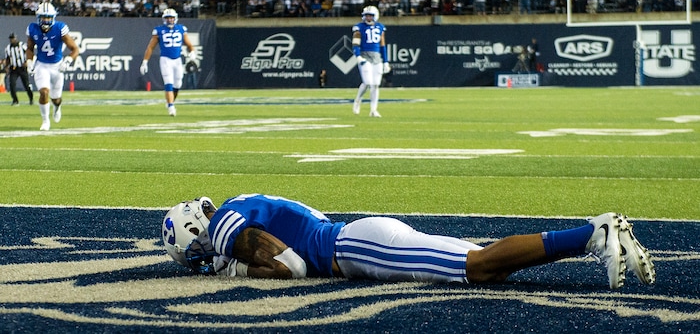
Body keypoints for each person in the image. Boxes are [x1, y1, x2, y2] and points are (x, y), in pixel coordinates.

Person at [162, 194, 656, 290]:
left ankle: (594, 232)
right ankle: (592, 234)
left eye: (196, 253)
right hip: (360, 242)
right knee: (489, 271)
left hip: (356, 248)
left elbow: (289, 267)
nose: (201, 260)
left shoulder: (228, 218)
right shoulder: (246, 204)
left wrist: (233, 269)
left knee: (479, 265)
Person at [25, 2, 80, 131]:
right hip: (42, 65)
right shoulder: (32, 28)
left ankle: (57, 107)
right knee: (44, 92)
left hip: (56, 66)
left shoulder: (60, 28)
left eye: (49, 17)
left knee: (56, 99)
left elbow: (75, 49)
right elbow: (29, 48)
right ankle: (45, 121)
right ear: (39, 17)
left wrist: (67, 61)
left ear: (53, 17)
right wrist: (29, 61)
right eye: (44, 17)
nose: (46, 20)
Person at [140, 8, 197, 116]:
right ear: (164, 19)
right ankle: (171, 107)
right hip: (165, 60)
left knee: (178, 84)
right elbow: (150, 47)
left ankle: (170, 102)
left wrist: (192, 52)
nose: (170, 20)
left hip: (177, 60)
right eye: (167, 18)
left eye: (171, 18)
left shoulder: (181, 29)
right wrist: (145, 61)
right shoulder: (159, 30)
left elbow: (189, 44)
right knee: (168, 83)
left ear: (175, 18)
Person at [351, 5, 390, 117]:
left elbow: (382, 46)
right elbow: (355, 43)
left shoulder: (380, 27)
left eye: (370, 16)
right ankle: (358, 100)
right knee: (367, 82)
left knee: (376, 84)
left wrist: (386, 61)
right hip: (365, 55)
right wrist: (358, 56)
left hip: (377, 57)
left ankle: (373, 110)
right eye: (366, 16)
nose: (368, 18)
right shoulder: (359, 27)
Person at [4, 32, 34, 106]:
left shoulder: (22, 45)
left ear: (16, 38)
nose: (12, 40)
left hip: (22, 68)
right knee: (12, 85)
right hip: (13, 69)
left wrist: (27, 61)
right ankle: (15, 100)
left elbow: (29, 53)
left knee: (26, 85)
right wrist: (6, 67)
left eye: (13, 38)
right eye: (10, 39)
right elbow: (8, 58)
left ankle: (31, 99)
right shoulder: (8, 48)